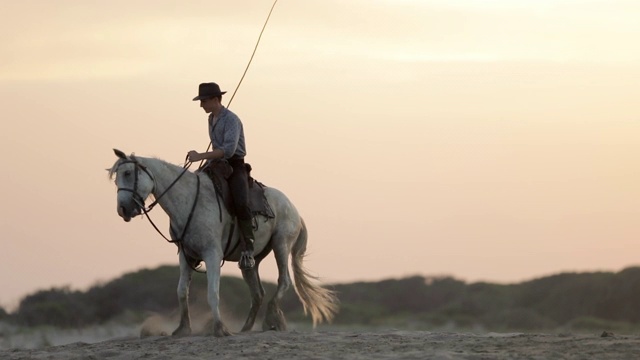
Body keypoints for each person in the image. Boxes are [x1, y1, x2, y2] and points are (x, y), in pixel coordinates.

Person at [187, 82, 255, 270]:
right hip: (217, 165)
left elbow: (228, 150)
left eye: (204, 101)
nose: (202, 105)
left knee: (241, 202)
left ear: (216, 99)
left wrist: (200, 156)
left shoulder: (231, 120)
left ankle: (248, 248)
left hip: (235, 165)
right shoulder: (211, 119)